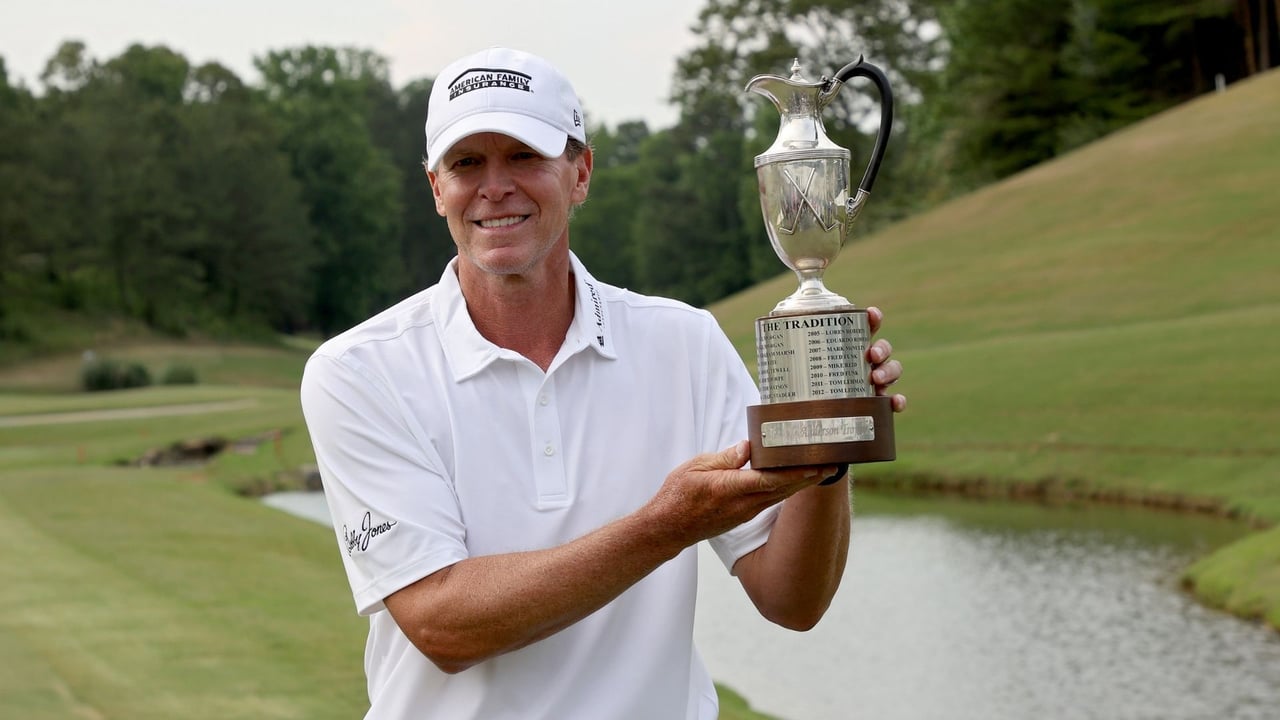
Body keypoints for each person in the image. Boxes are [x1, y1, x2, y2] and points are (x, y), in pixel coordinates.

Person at [300, 46, 905, 720]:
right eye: (467, 162)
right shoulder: (357, 371)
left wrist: (826, 446)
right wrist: (666, 525)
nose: (494, 186)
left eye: (525, 156)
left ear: (581, 172)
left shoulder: (683, 341)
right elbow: (444, 623)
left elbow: (792, 600)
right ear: (436, 187)